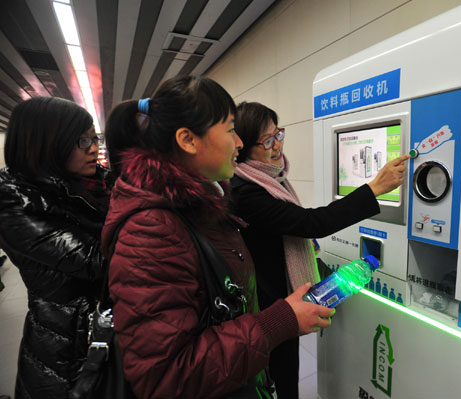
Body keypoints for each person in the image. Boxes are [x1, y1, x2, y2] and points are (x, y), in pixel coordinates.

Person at [102, 75, 334, 399]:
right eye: (229, 129)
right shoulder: (152, 231)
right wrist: (279, 322)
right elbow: (166, 378)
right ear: (188, 140)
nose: (238, 143)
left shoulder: (203, 203)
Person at [230, 101, 410, 398]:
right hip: (270, 304)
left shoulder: (271, 179)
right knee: (281, 376)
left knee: (287, 371)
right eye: (267, 141)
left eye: (279, 134)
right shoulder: (246, 191)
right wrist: (374, 188)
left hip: (280, 295)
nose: (277, 146)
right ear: (245, 147)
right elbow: (310, 222)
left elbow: (291, 227)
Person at [0, 97, 112, 399]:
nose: (93, 147)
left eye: (94, 138)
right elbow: (96, 260)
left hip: (113, 327)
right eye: (82, 140)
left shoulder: (97, 184)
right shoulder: (13, 200)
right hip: (70, 346)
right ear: (47, 143)